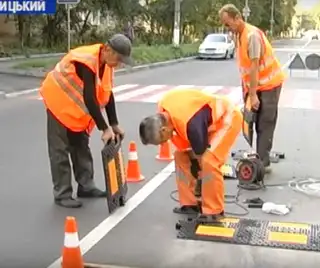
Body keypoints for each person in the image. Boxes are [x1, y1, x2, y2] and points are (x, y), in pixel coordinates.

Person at [40, 34, 133, 208]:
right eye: (119, 59)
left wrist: (114, 123)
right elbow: (90, 98)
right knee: (59, 150)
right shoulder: (87, 61)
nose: (119, 64)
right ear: (107, 50)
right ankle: (62, 194)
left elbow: (107, 93)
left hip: (74, 109)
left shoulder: (107, 64)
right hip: (58, 102)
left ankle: (86, 186)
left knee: (81, 145)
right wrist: (104, 128)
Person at [139, 89, 243, 219]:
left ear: (163, 130)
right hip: (205, 123)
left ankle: (214, 211)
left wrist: (200, 172)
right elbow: (189, 147)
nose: (162, 144)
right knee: (180, 156)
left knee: (209, 160)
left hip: (227, 119)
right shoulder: (164, 109)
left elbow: (199, 150)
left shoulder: (192, 125)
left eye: (160, 141)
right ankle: (189, 203)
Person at [219, 4, 285, 173]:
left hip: (269, 84)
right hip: (256, 85)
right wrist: (247, 93)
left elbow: (254, 67)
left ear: (237, 18)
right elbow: (245, 68)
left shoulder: (252, 36)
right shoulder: (238, 36)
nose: (227, 28)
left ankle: (261, 164)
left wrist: (254, 95)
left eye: (228, 23)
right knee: (251, 119)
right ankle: (258, 156)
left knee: (265, 122)